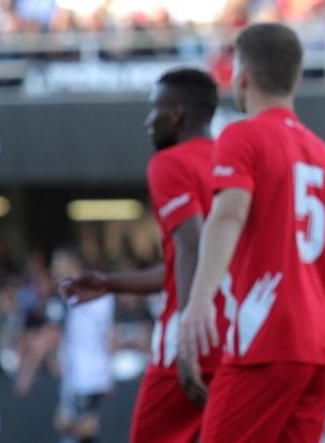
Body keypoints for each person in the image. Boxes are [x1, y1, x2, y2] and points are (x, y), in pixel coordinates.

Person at [178, 22, 325, 443]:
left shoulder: (241, 136)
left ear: (242, 77)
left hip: (265, 340)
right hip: (321, 352)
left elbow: (229, 215)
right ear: (298, 77)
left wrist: (198, 300)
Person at [60, 67, 225, 443]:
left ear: (178, 115)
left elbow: (192, 248)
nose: (148, 122)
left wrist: (187, 340)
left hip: (189, 337)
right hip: (237, 337)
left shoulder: (170, 163)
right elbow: (185, 263)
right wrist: (110, 284)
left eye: (156, 110)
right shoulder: (232, 160)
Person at [51, 249, 115, 443]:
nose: (53, 269)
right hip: (73, 379)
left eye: (57, 263)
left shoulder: (96, 293)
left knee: (84, 430)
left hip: (92, 377)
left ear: (72, 265)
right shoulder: (63, 299)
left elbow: (108, 335)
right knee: (66, 429)